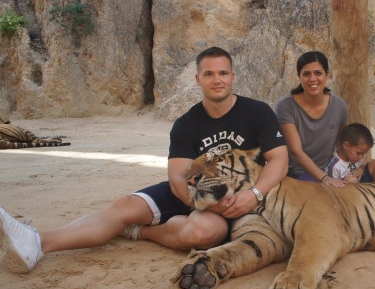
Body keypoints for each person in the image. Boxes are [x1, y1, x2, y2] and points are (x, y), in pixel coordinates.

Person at [0, 46, 288, 274]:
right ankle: (37, 242)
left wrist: (254, 194)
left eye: (223, 73)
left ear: (233, 77)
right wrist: (199, 202)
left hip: (236, 199)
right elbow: (177, 177)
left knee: (205, 231)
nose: (217, 80)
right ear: (198, 79)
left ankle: (143, 231)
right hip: (192, 193)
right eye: (210, 74)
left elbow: (279, 160)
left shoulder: (256, 112)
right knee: (124, 206)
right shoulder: (187, 123)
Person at [275, 51, 348, 187]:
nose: (312, 78)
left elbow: (341, 144)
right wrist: (324, 178)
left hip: (330, 170)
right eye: (306, 74)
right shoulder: (286, 106)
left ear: (327, 75)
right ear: (299, 77)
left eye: (318, 73)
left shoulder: (339, 106)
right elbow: (296, 152)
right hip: (298, 173)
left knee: (372, 168)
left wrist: (350, 170)